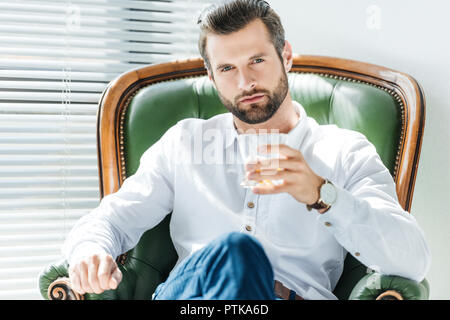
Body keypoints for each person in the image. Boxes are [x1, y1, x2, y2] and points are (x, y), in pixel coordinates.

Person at [64, 0, 430, 300]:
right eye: (227, 68)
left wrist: (323, 194)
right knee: (236, 253)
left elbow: (412, 259)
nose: (245, 82)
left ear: (285, 55)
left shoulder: (344, 151)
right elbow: (111, 218)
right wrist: (90, 251)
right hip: (192, 301)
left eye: (257, 60)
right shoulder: (185, 143)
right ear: (211, 76)